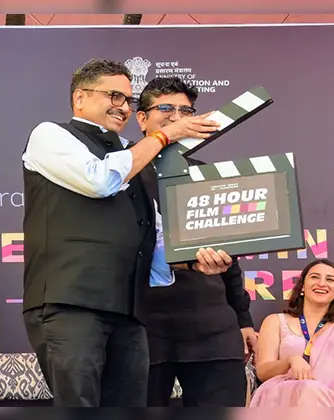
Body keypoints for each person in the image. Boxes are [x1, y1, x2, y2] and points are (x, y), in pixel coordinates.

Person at [21, 59, 234, 407]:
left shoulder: (132, 157)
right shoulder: (51, 135)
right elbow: (99, 180)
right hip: (71, 305)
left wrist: (194, 262)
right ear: (80, 98)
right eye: (114, 96)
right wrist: (163, 136)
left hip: (130, 312)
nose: (122, 106)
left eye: (128, 100)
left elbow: (157, 240)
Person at [134, 77, 258, 407]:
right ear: (142, 118)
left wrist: (243, 319)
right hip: (143, 330)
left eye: (186, 110)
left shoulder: (207, 176)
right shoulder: (120, 174)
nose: (177, 117)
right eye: (166, 108)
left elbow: (230, 256)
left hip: (212, 331)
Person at [250, 259, 334, 407]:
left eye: (330, 279)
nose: (321, 283)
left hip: (327, 399)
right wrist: (290, 361)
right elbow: (263, 372)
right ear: (302, 286)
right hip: (280, 398)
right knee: (307, 390)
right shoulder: (275, 321)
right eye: (314, 277)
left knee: (310, 390)